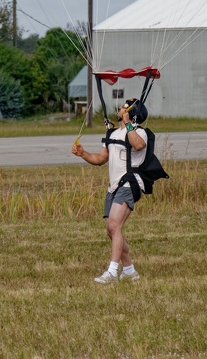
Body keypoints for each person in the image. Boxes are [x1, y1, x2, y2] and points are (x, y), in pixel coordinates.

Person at [71, 99, 148, 284]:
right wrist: (83, 154)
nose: (119, 108)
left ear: (131, 112)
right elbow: (100, 158)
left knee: (114, 226)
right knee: (111, 231)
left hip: (130, 183)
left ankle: (112, 272)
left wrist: (128, 122)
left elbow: (138, 146)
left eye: (123, 107)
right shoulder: (114, 133)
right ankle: (129, 270)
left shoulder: (139, 132)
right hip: (113, 186)